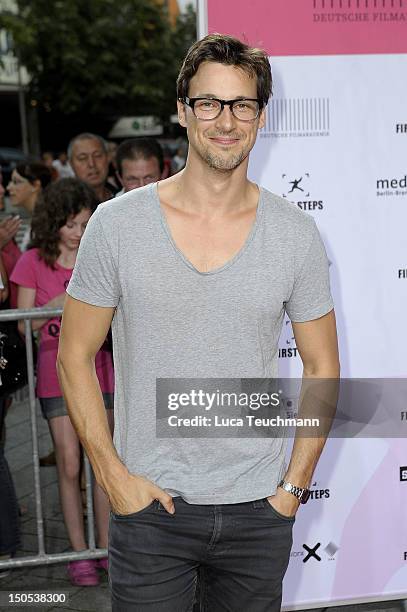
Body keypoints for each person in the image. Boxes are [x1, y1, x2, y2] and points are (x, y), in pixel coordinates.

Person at [58, 34, 340, 611]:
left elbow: (322, 365)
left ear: (261, 116)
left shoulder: (294, 233)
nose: (226, 121)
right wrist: (113, 477)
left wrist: (291, 488)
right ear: (184, 110)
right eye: (209, 103)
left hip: (259, 512)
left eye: (243, 104)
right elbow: (74, 355)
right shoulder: (117, 226)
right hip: (150, 511)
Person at [11, 178, 114, 586]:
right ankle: (78, 552)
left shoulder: (100, 253)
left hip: (103, 370)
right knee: (69, 464)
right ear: (55, 223)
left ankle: (107, 547)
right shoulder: (33, 260)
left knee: (103, 462)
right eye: (72, 224)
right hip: (57, 376)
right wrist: (55, 305)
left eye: (87, 223)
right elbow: (23, 327)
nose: (80, 232)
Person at [68, 133, 118, 202]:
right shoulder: (63, 204)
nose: (91, 164)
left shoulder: (121, 198)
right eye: (82, 158)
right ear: (71, 164)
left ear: (108, 158)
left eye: (97, 156)